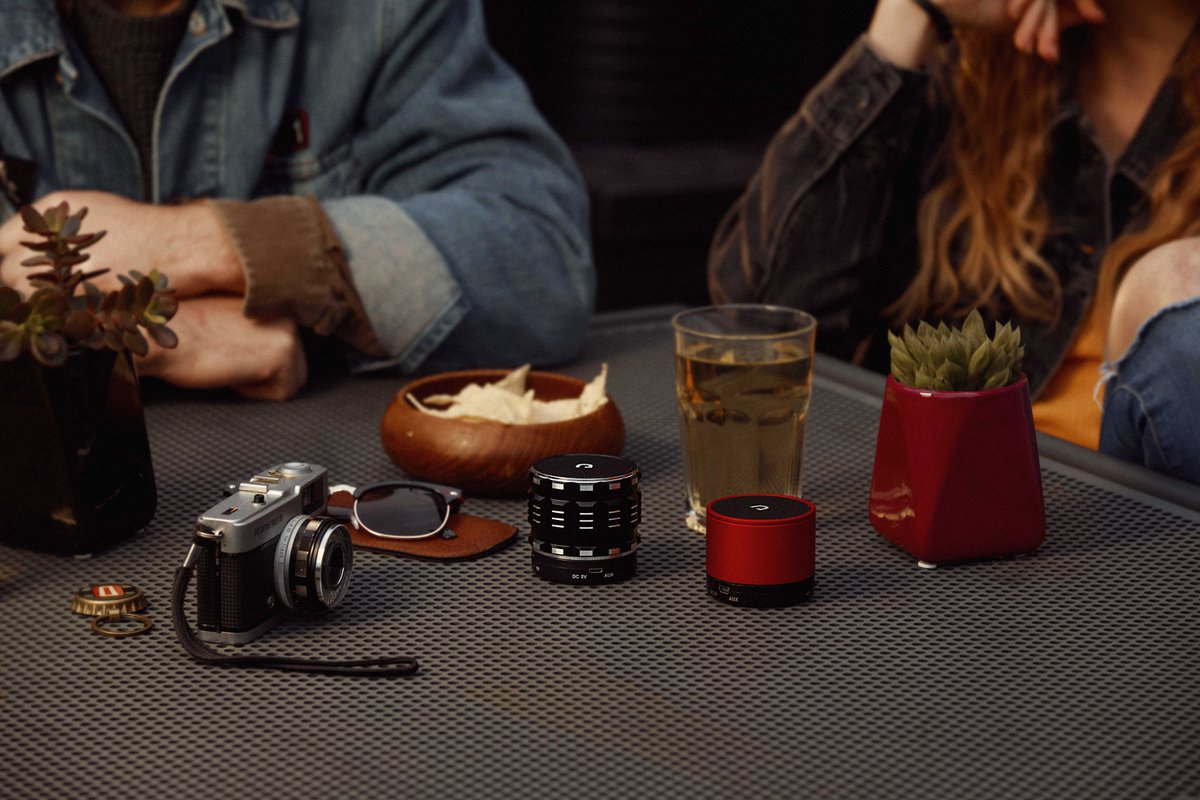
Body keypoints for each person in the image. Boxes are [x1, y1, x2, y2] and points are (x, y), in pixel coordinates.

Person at [709, 0, 1200, 485]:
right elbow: (760, 333)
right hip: (952, 516)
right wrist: (910, 14)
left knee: (1176, 298)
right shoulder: (975, 80)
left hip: (1141, 542)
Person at [0, 0, 594, 400]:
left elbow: (541, 262)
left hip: (316, 488)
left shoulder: (381, 13)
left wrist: (206, 246)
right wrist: (181, 333)